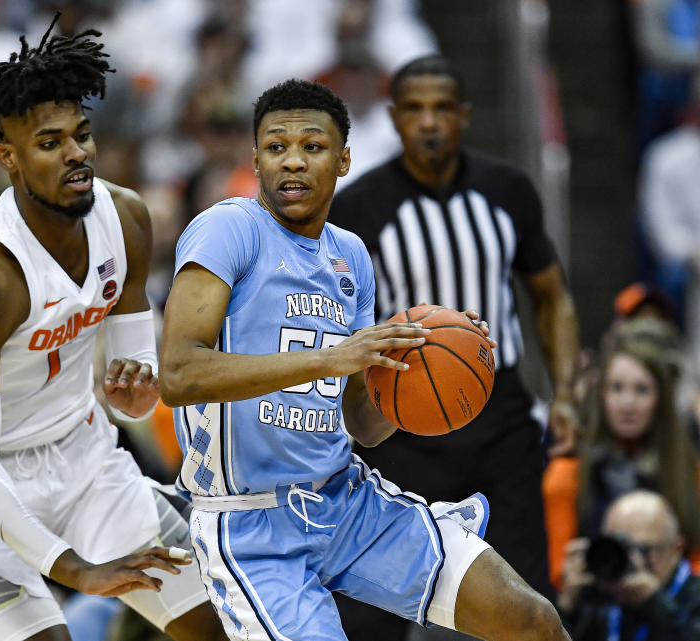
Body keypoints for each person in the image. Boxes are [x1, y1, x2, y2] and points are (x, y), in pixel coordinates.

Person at [160, 78, 568, 641]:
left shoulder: (349, 253)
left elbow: (363, 426)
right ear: (255, 159)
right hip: (252, 526)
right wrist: (330, 359)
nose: (293, 162)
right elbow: (179, 373)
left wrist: (420, 369)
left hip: (347, 501)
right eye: (276, 148)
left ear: (344, 159)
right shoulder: (229, 228)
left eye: (313, 147)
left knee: (531, 619)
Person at [0, 17, 225, 641]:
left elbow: (133, 374)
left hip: (84, 456)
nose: (77, 154)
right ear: (9, 158)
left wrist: (135, 389)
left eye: (82, 135)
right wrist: (75, 569)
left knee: (220, 625)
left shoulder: (125, 218)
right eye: (51, 143)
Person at [328, 54, 580, 612]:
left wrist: (564, 391)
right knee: (373, 609)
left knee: (525, 599)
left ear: (463, 116)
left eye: (442, 108)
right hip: (401, 422)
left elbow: (552, 295)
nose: (429, 122)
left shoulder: (508, 189)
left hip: (499, 418)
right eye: (414, 109)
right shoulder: (358, 208)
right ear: (394, 118)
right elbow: (342, 322)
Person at [543, 322, 700, 588]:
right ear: (601, 395)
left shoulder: (688, 471)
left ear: (660, 399)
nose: (628, 403)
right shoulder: (566, 475)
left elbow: (696, 563)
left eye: (642, 390)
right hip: (594, 606)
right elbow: (558, 574)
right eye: (616, 388)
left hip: (671, 610)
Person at [558, 490, 700, 641]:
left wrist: (654, 603)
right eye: (618, 548)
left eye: (642, 549)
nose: (630, 560)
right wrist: (565, 608)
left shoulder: (694, 599)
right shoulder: (598, 599)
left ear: (676, 549)